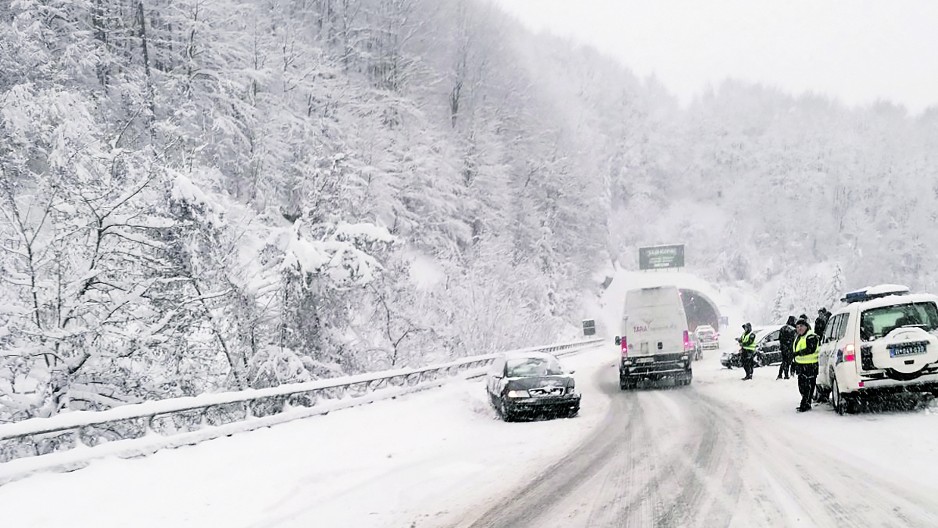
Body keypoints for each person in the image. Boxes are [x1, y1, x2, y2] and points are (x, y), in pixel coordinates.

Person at [793, 318, 820, 412]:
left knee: (807, 386)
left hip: (810, 365)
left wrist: (798, 353)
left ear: (806, 327)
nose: (799, 329)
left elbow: (810, 349)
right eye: (797, 327)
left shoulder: (811, 336)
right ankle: (806, 402)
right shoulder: (799, 337)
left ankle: (805, 403)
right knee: (801, 386)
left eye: (801, 326)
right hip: (800, 365)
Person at [777, 315, 796, 380]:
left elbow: (779, 338)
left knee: (784, 361)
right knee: (789, 362)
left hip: (783, 347)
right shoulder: (792, 329)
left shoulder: (783, 328)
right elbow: (794, 339)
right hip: (790, 348)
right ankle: (787, 375)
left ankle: (780, 374)